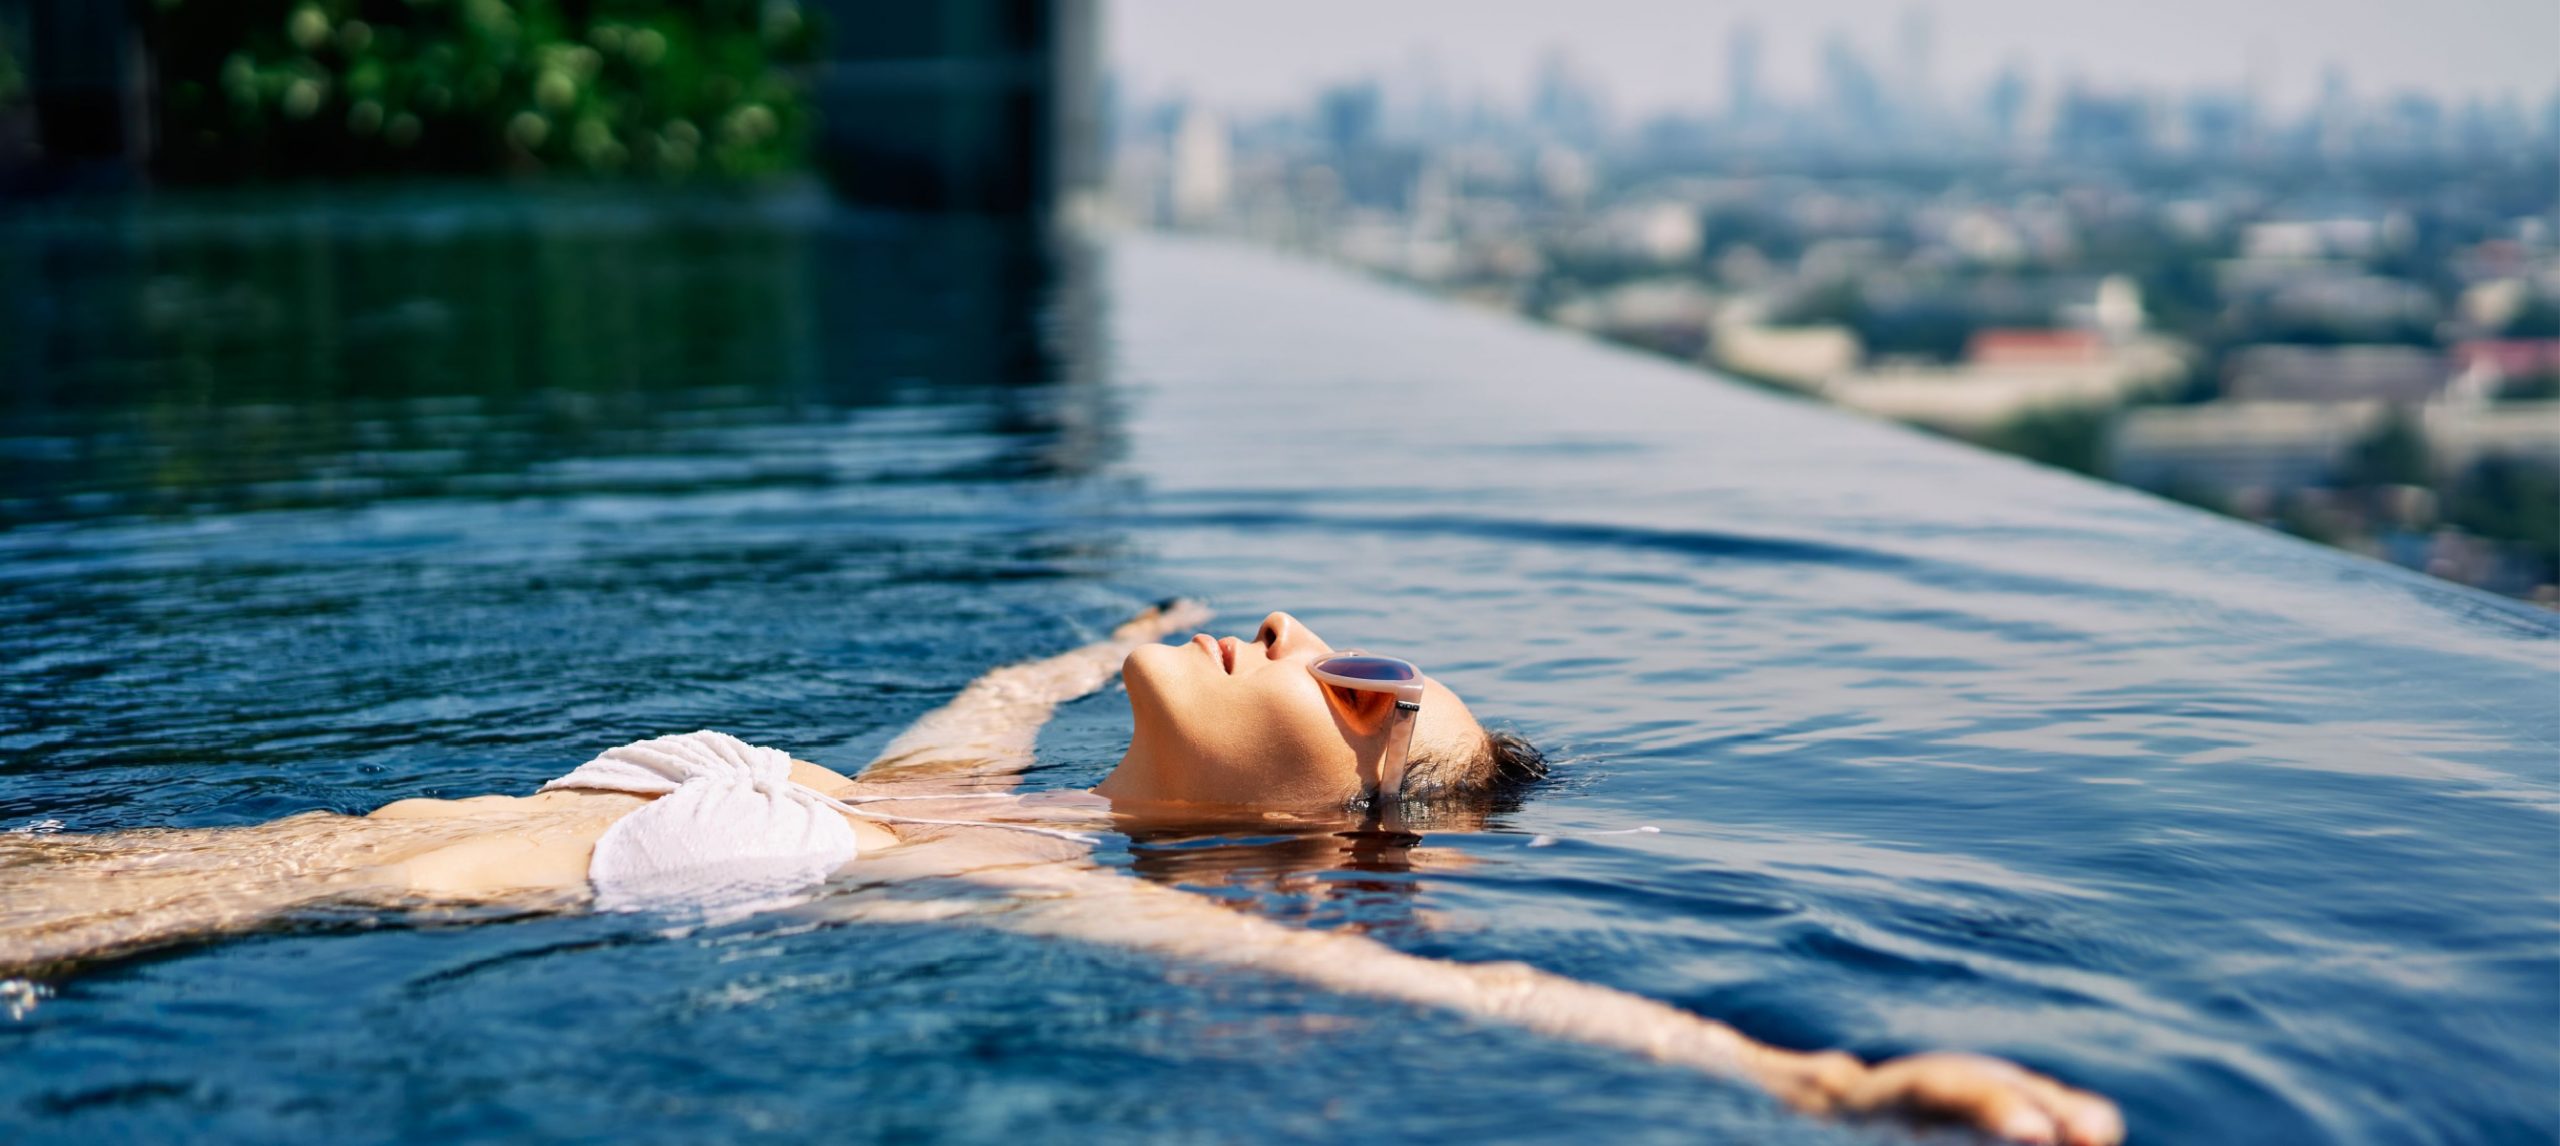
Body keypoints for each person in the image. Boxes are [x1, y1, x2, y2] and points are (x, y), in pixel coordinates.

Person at [0, 604, 2121, 1146]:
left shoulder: (1052, 905)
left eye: (1373, 695)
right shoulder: (946, 812)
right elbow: (974, 724)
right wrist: (1057, 654)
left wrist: (1821, 1087)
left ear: (1334, 815)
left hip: (133, 925)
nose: (1307, 651)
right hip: (101, 879)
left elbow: (1460, 1001)